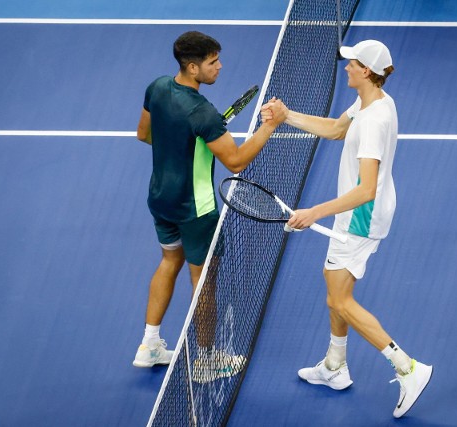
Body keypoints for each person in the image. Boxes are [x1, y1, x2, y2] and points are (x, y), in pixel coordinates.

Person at [262, 40, 432, 418]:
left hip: (360, 216)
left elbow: (366, 188)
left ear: (367, 72)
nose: (346, 68)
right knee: (334, 281)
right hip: (361, 213)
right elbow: (338, 129)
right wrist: (287, 116)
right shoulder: (372, 102)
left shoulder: (374, 121)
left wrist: (314, 212)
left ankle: (408, 368)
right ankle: (335, 365)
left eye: (351, 64)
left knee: (339, 299)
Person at [133, 31, 287, 383]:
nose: (220, 67)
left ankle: (149, 344)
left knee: (169, 260)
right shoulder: (203, 113)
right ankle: (205, 361)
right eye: (212, 62)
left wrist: (183, 145)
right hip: (196, 209)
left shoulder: (157, 87)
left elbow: (144, 134)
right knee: (204, 283)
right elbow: (235, 162)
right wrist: (269, 127)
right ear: (192, 67)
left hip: (160, 198)